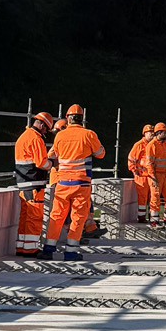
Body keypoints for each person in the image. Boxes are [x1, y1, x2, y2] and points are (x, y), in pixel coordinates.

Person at [43, 102, 107, 256]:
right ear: (81, 118)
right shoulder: (89, 134)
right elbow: (100, 154)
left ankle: (48, 249)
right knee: (78, 217)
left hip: (62, 182)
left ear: (68, 118)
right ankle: (71, 252)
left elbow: (51, 155)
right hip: (81, 183)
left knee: (57, 215)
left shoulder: (60, 135)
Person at [13, 111, 54, 255]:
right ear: (42, 125)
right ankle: (31, 249)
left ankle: (21, 247)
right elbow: (41, 163)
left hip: (23, 184)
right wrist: (52, 163)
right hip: (34, 184)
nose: (46, 132)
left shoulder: (23, 137)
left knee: (24, 217)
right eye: (46, 129)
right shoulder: (36, 139)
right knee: (34, 217)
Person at [145, 120, 166, 228]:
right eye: (165, 132)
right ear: (158, 133)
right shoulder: (151, 145)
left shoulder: (165, 145)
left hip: (165, 174)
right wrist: (153, 177)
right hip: (155, 175)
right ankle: (154, 220)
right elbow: (149, 163)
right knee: (155, 197)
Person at [127, 125, 154, 224]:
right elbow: (131, 158)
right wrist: (134, 170)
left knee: (153, 197)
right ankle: (141, 217)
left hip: (151, 176)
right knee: (142, 197)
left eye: (153, 132)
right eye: (150, 132)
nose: (152, 134)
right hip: (141, 176)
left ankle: (152, 216)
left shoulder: (153, 144)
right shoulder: (139, 145)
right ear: (145, 133)